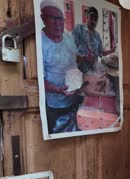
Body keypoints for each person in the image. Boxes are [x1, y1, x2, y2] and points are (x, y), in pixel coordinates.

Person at [40, 0, 82, 133]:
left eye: (60, 19)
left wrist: (86, 59)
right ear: (43, 18)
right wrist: (58, 89)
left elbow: (76, 58)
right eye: (53, 18)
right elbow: (39, 79)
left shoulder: (68, 37)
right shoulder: (41, 43)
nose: (58, 23)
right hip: (56, 104)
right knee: (59, 133)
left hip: (75, 96)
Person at [72, 7, 116, 73]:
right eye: (91, 18)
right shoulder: (78, 29)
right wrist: (85, 58)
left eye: (95, 19)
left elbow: (100, 52)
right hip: (79, 72)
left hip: (93, 71)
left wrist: (112, 51)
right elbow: (71, 53)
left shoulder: (97, 35)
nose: (93, 21)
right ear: (87, 17)